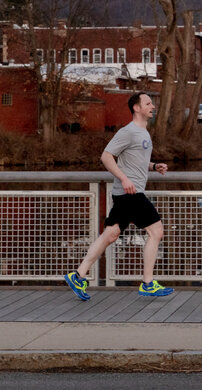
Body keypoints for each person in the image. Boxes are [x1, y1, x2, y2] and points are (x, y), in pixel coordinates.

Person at [65, 91, 174, 300]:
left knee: (111, 234)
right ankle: (148, 283)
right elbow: (106, 157)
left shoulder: (143, 133)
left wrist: (154, 166)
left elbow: (135, 160)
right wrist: (124, 179)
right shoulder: (128, 131)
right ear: (136, 108)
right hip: (130, 193)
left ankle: (78, 275)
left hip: (125, 194)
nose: (152, 106)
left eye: (152, 103)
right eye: (148, 103)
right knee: (156, 231)